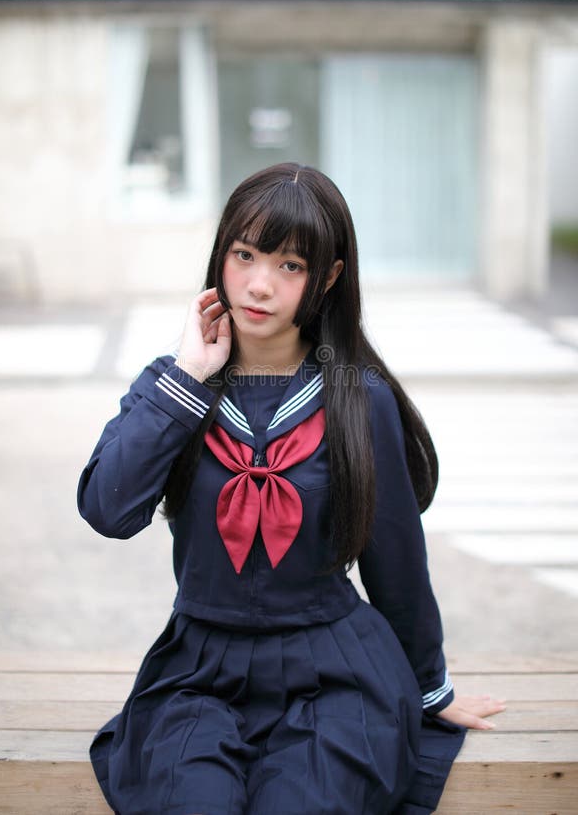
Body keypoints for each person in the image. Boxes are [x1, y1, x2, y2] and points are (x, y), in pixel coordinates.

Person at [78, 163, 504, 815]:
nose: (258, 284)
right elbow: (108, 510)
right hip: (199, 675)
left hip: (335, 676)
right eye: (244, 255)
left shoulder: (361, 399)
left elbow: (396, 560)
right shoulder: (170, 387)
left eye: (289, 266)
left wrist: (431, 691)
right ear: (221, 257)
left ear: (328, 278)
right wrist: (191, 377)